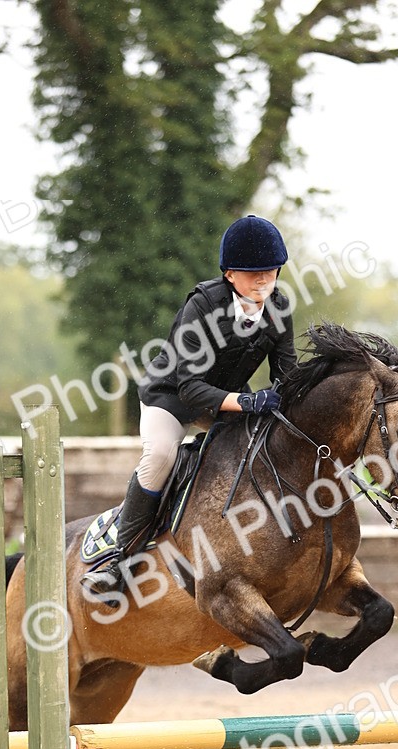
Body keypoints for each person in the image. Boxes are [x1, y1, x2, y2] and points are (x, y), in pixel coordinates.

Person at [82, 214, 297, 601]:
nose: (264, 280)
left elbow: (287, 371)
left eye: (271, 271)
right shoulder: (204, 304)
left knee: (257, 448)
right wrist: (249, 401)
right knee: (162, 454)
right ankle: (118, 560)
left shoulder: (279, 308)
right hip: (173, 397)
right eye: (254, 274)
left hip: (226, 400)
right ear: (230, 275)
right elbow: (192, 387)